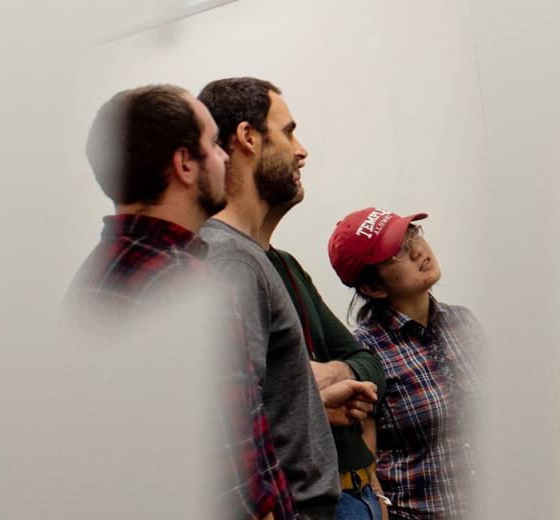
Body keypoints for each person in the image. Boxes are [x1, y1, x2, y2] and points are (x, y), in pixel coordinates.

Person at [69, 83, 293, 519]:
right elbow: (235, 487)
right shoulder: (186, 286)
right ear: (185, 164)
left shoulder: (92, 275)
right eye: (213, 143)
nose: (226, 157)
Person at [197, 77, 378, 519]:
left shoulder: (263, 259)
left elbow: (363, 360)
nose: (302, 151)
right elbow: (232, 420)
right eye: (289, 131)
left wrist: (312, 391)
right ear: (247, 138)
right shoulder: (229, 260)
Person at [327, 207, 488, 519]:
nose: (417, 249)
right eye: (396, 252)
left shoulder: (463, 322)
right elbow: (366, 470)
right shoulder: (363, 354)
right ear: (373, 288)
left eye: (412, 234)